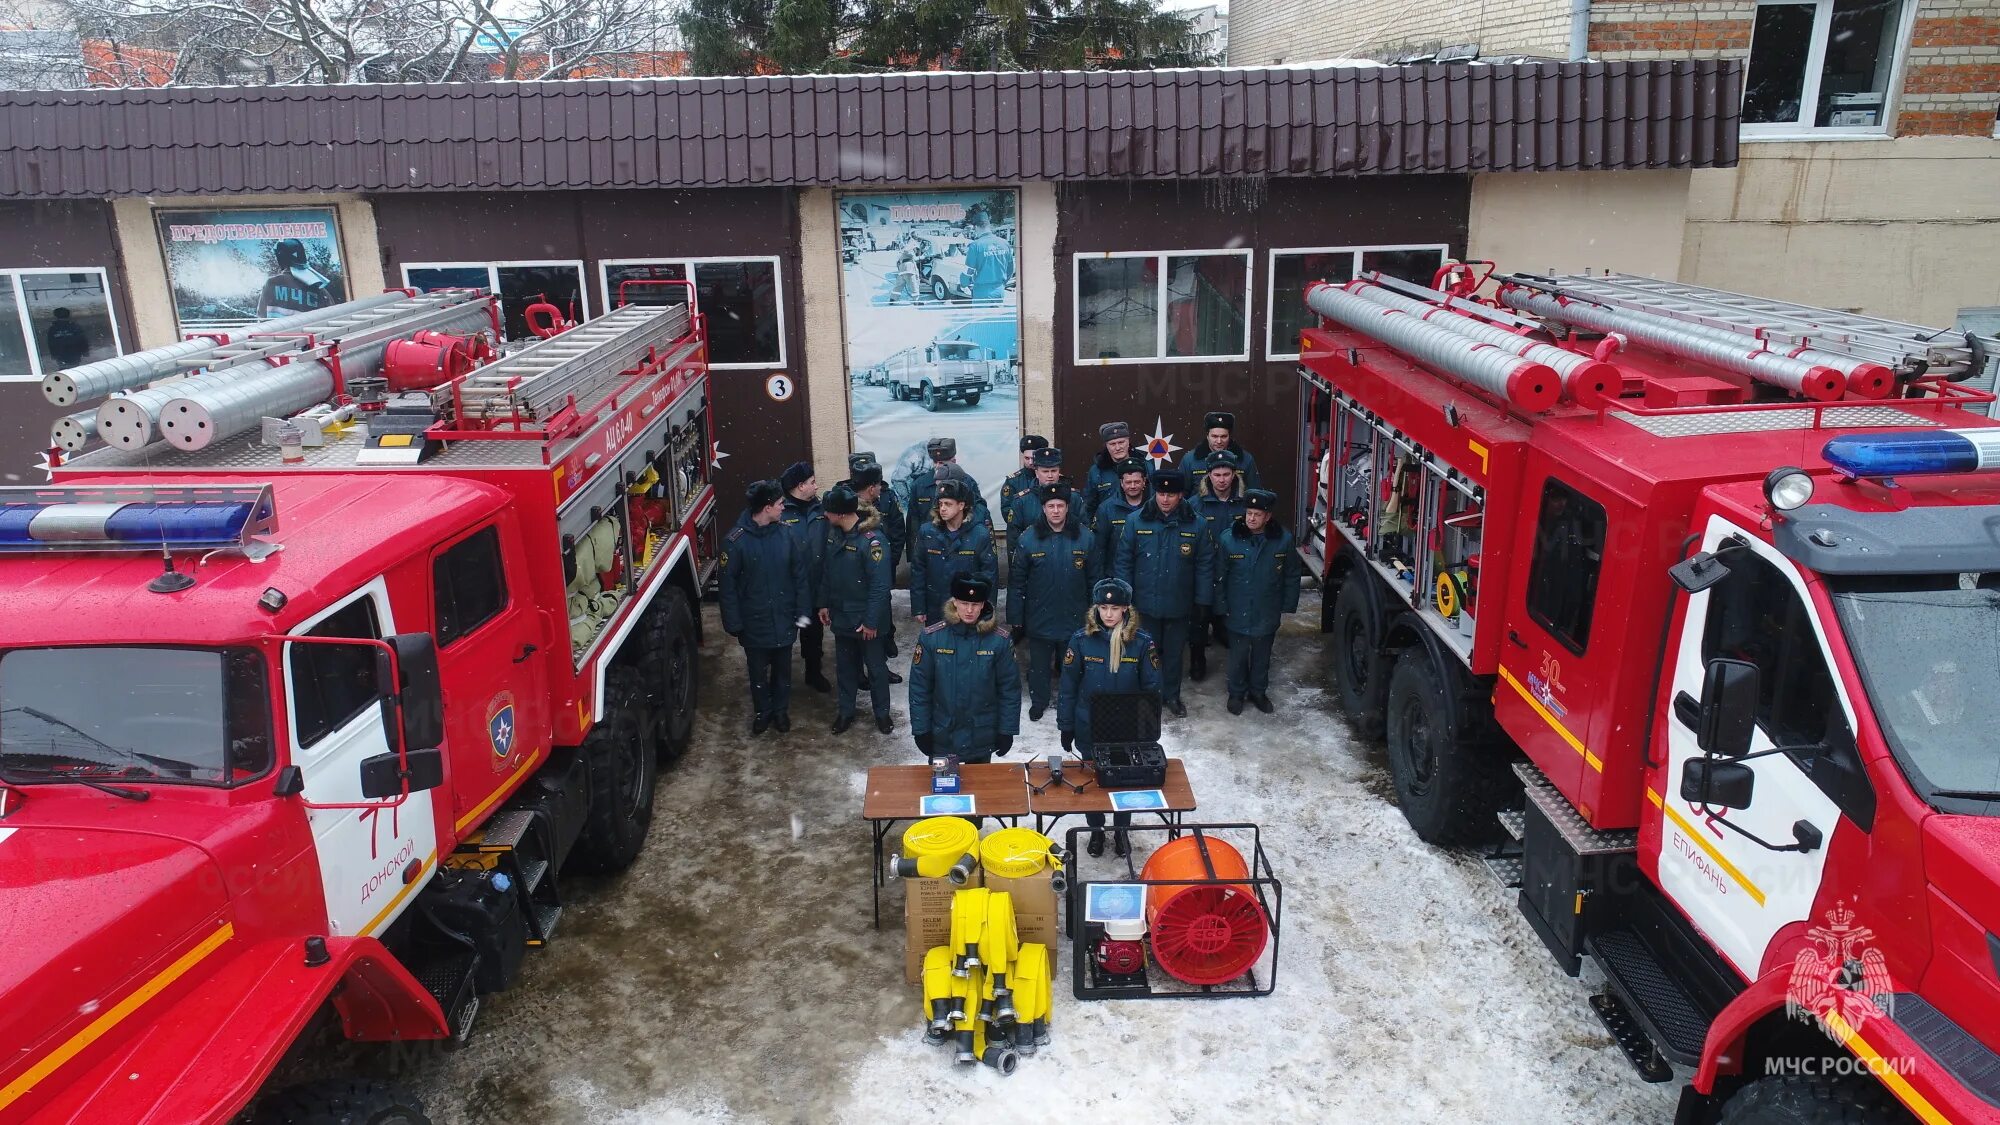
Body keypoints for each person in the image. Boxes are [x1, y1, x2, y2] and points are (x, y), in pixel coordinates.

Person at [1058, 578, 1161, 857]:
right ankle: (1096, 830)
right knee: (1092, 784)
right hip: (1089, 725)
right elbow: (1068, 686)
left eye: (1115, 608)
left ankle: (1121, 831)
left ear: (1126, 609)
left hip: (1126, 728)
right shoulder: (1081, 640)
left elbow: (1152, 689)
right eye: (1103, 607)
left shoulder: (1141, 643)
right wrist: (1066, 725)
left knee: (1124, 782)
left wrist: (1147, 728)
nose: (1109, 614)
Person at [1115, 469, 1211, 717]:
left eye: (1171, 494)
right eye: (1160, 493)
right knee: (1145, 654)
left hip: (1179, 604)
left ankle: (1171, 696)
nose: (1165, 499)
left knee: (1175, 655)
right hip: (1145, 605)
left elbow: (1204, 564)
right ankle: (1147, 697)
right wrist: (1124, 600)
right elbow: (1124, 562)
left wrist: (1202, 600)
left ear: (1180, 495)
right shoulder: (1136, 521)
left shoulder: (1197, 523)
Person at [718, 480, 811, 734]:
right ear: (767, 507)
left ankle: (780, 711)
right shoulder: (735, 542)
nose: (784, 507)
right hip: (754, 622)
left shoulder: (786, 535)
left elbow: (800, 578)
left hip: (783, 618)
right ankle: (763, 712)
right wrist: (734, 623)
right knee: (757, 674)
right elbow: (727, 587)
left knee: (783, 672)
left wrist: (803, 614)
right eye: (780, 503)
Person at [1008, 482, 1100, 722]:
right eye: (1051, 506)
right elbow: (1017, 582)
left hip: (1075, 615)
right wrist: (1016, 618)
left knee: (1071, 665)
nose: (1056, 511)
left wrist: (1096, 614)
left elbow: (1094, 580)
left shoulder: (1085, 537)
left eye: (1060, 505)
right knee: (1039, 667)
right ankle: (1039, 702)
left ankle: (1070, 702)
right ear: (1044, 508)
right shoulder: (1028, 539)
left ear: (1068, 507)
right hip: (1040, 615)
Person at [909, 574, 1021, 764]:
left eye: (975, 604)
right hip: (942, 735)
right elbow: (920, 688)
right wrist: (921, 730)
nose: (969, 610)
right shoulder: (932, 638)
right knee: (943, 791)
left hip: (981, 736)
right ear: (954, 602)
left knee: (980, 790)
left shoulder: (999, 641)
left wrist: (1007, 730)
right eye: (963, 603)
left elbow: (1009, 689)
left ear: (984, 605)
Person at [1213, 489, 1302, 715]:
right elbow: (1219, 576)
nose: (1251, 518)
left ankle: (1258, 692)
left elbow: (1291, 574)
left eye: (1257, 514)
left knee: (1262, 655)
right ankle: (1236, 693)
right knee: (1238, 656)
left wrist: (1288, 603)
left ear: (1268, 517)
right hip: (1238, 607)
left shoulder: (1282, 540)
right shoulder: (1229, 539)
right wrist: (1221, 606)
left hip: (1267, 608)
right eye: (1248, 513)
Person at [818, 485, 896, 735]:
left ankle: (882, 714)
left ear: (840, 514)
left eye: (828, 511)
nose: (825, 515)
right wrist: (823, 603)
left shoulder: (872, 542)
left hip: (867, 620)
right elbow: (827, 573)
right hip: (842, 616)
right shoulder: (834, 534)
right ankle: (845, 712)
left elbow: (880, 586)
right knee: (845, 668)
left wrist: (871, 622)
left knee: (876, 670)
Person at [1188, 448, 1249, 682]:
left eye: (1226, 474)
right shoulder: (1195, 505)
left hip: (1234, 573)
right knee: (1199, 620)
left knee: (1232, 620)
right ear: (1208, 476)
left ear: (1234, 475)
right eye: (1217, 475)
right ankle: (1197, 661)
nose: (1222, 480)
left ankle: (1238, 667)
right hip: (1204, 572)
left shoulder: (1245, 503)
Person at [845, 452, 907, 672]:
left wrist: (891, 561)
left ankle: (880, 662)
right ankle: (860, 671)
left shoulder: (888, 498)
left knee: (881, 614)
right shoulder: (845, 501)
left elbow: (898, 531)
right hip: (854, 576)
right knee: (857, 625)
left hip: (881, 567)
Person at [911, 477, 996, 625]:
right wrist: (919, 607)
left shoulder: (979, 534)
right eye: (940, 504)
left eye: (948, 504)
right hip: (935, 606)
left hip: (968, 609)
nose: (942, 508)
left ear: (961, 505)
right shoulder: (927, 532)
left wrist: (986, 609)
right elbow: (918, 570)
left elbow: (989, 575)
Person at [778, 461, 832, 694]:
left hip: (814, 586)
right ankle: (780, 680)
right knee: (782, 638)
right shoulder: (780, 511)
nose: (816, 486)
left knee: (813, 635)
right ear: (800, 486)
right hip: (787, 590)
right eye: (812, 482)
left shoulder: (820, 510)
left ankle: (813, 672)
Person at [908, 438, 988, 547]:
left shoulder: (967, 482)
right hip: (930, 545)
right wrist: (914, 553)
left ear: (953, 461)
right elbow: (913, 521)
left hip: (962, 543)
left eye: (942, 463)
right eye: (935, 462)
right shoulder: (919, 484)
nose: (937, 466)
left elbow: (979, 510)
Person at [1092, 457, 1151, 577]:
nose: (1133, 486)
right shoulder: (1106, 509)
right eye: (1128, 482)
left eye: (1137, 482)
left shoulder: (1155, 506)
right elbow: (1099, 548)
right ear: (1121, 483)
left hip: (1148, 575)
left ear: (1144, 481)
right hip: (1116, 575)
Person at [1180, 410, 1261, 493]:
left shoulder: (1245, 459)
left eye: (1223, 436)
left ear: (1229, 436)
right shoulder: (1189, 460)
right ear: (1207, 436)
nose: (1219, 441)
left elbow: (1255, 493)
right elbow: (1181, 495)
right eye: (1214, 436)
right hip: (1200, 505)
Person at [257, 238, 336, 317]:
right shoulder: (319, 288)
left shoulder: (271, 284)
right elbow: (333, 317)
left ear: (280, 259)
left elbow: (261, 318)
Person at [1005, 447, 1066, 545]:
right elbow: (1014, 538)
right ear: (1037, 473)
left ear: (1059, 472)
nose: (1050, 476)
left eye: (1054, 471)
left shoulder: (1073, 499)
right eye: (1045, 471)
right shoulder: (1021, 501)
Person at [999, 435, 1049, 549]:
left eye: (1033, 458)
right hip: (1023, 535)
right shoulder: (1013, 481)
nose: (1030, 462)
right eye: (1027, 458)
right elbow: (1007, 511)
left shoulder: (1052, 478)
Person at [959, 204, 1015, 301]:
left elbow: (968, 272)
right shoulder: (1005, 243)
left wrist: (963, 284)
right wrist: (1002, 284)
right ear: (988, 225)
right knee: (997, 316)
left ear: (976, 227)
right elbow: (1010, 269)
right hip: (999, 291)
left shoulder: (975, 246)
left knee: (981, 316)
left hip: (981, 293)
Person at [1083, 422, 1134, 523]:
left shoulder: (1144, 466)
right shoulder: (1096, 471)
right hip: (1107, 530)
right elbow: (1089, 507)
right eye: (1112, 444)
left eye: (1121, 442)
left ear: (1128, 441)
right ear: (1106, 446)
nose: (1118, 448)